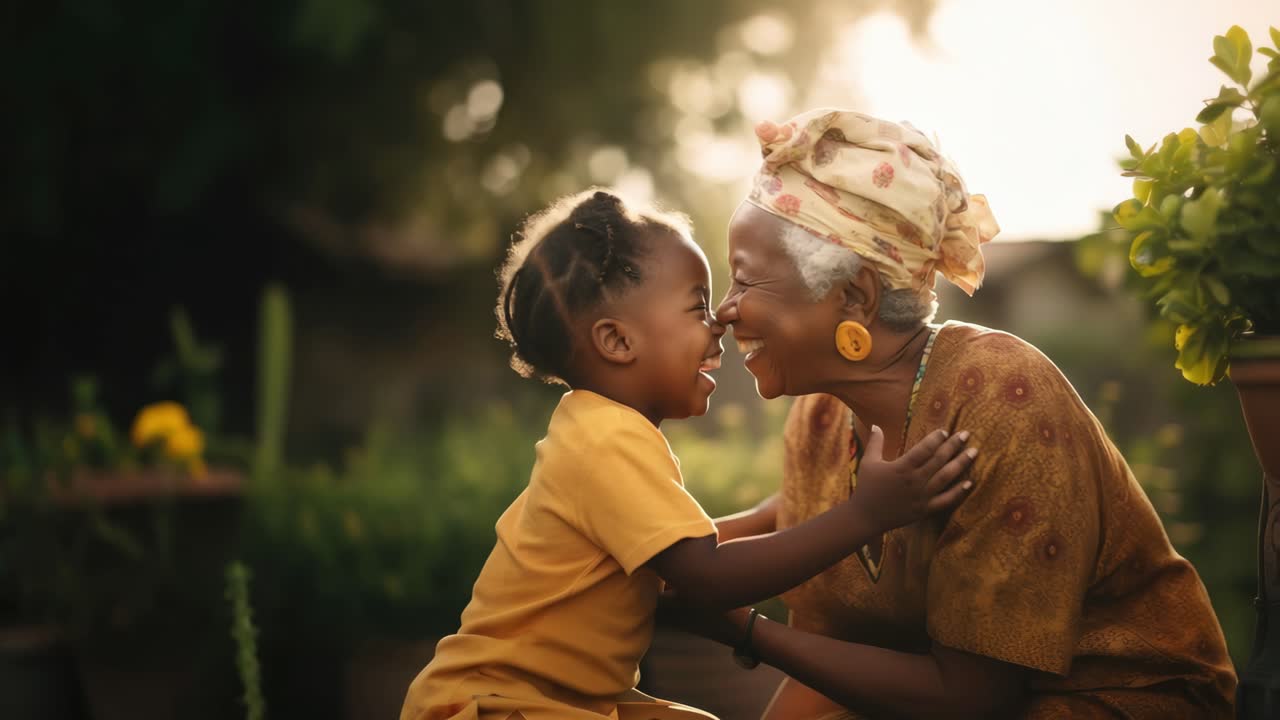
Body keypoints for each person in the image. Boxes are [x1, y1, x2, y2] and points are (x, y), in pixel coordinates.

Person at [674, 108, 1237, 719]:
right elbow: (800, 528)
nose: (725, 313)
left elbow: (973, 701)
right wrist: (635, 550)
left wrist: (746, 632)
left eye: (747, 283)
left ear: (855, 297)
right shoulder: (821, 415)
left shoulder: (1004, 398)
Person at [400, 188, 978, 720]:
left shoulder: (599, 429)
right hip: (502, 705)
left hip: (554, 698)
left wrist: (787, 511)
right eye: (697, 305)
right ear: (617, 341)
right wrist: (865, 517)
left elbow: (677, 550)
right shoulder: (608, 440)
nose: (720, 322)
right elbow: (703, 577)